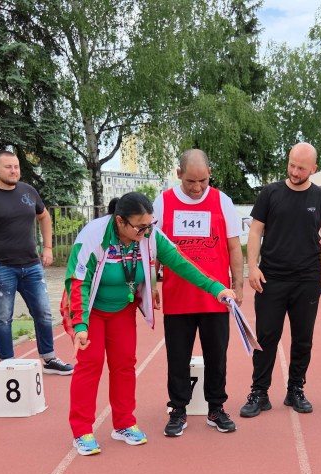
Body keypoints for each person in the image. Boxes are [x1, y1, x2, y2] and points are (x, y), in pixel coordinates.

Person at [63, 192, 236, 455]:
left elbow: (181, 263)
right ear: (120, 221)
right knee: (91, 364)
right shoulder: (93, 236)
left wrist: (216, 288)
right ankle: (81, 430)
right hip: (90, 309)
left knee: (124, 364)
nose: (146, 231)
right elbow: (78, 283)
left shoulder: (150, 235)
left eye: (149, 225)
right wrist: (80, 325)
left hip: (122, 307)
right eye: (140, 227)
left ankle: (124, 423)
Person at [241, 142, 321, 418]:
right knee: (265, 337)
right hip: (271, 278)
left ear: (313, 169)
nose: (295, 172)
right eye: (292, 165)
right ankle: (259, 392)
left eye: (301, 168)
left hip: (307, 279)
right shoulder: (270, 193)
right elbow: (255, 232)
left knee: (303, 339)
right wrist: (252, 266)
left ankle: (296, 389)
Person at [152, 150, 243, 437]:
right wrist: (151, 283)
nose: (197, 188)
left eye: (203, 181)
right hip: (177, 297)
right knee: (177, 357)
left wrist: (238, 285)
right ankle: (178, 409)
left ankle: (216, 408)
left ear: (210, 173)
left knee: (217, 356)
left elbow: (234, 247)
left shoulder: (222, 201)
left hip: (216, 297)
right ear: (178, 175)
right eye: (191, 181)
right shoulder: (162, 202)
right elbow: (152, 247)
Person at [0, 151, 73, 376]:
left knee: (44, 313)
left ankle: (49, 358)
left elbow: (44, 216)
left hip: (31, 265)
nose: (13, 171)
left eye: (16, 166)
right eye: (8, 167)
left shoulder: (28, 191)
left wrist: (48, 247)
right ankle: (7, 364)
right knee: (3, 317)